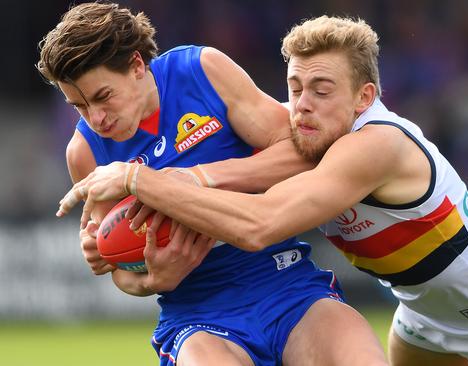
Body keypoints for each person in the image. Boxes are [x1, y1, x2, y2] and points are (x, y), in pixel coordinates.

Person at [58, 15, 468, 366]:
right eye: (294, 89)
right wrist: (142, 277)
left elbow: (262, 220)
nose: (301, 108)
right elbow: (122, 264)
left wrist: (148, 180)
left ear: (365, 98)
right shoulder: (312, 134)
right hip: (420, 312)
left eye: (321, 89)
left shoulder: (371, 146)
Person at [39, 4, 387, 366]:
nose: (95, 119)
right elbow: (121, 273)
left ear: (137, 66)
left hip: (287, 285)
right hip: (197, 316)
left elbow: (303, 153)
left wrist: (198, 179)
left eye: (102, 97)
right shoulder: (84, 152)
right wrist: (152, 279)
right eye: (78, 106)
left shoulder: (200, 71)